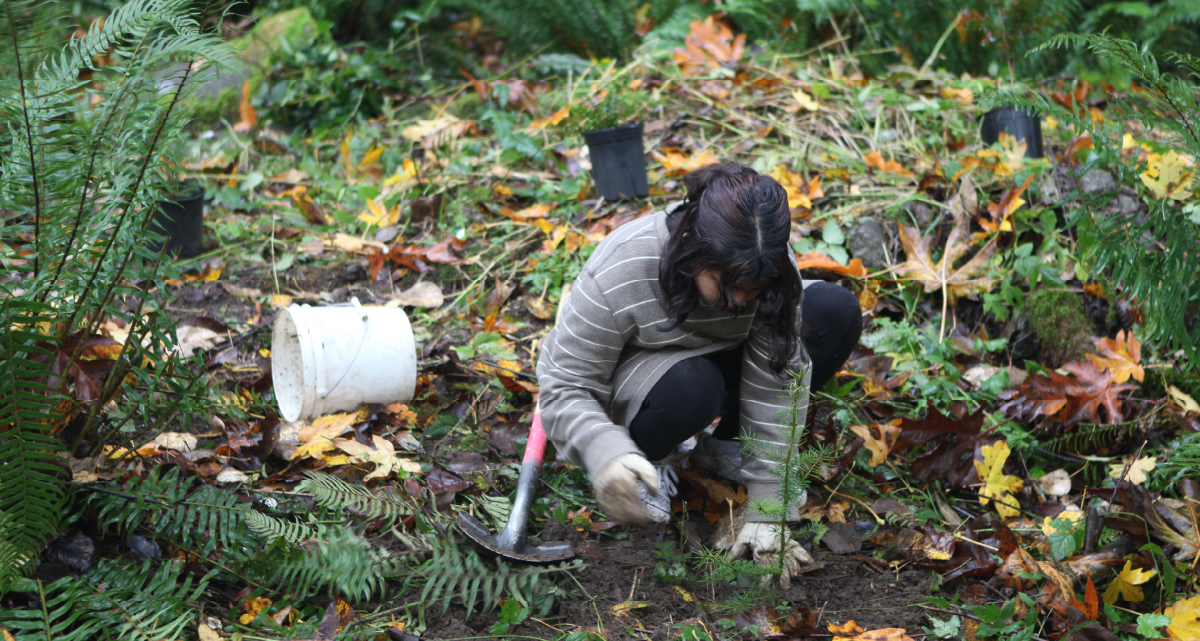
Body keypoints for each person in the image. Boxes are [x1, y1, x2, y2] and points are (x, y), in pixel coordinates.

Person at [536, 163, 861, 579]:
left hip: (722, 357)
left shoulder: (767, 270)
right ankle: (646, 460)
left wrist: (768, 503)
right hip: (649, 384)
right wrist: (604, 451)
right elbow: (566, 385)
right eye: (727, 285)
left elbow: (779, 379)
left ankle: (727, 446)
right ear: (693, 250)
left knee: (833, 311)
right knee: (692, 387)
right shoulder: (623, 268)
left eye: (753, 290)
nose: (741, 300)